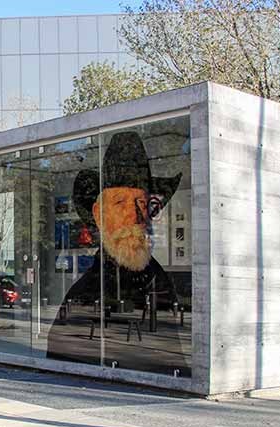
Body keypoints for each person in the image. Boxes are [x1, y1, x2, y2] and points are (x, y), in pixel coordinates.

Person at [46, 130, 187, 373]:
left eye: (141, 203)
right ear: (98, 214)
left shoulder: (159, 280)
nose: (135, 216)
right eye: (120, 203)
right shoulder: (83, 293)